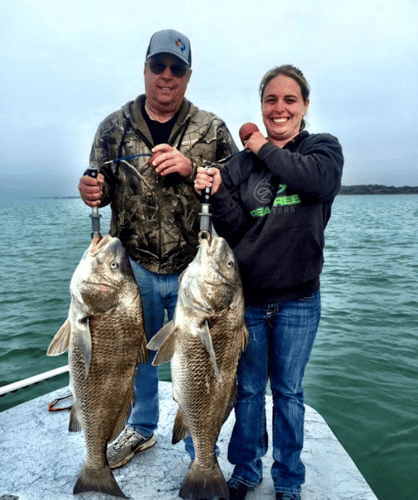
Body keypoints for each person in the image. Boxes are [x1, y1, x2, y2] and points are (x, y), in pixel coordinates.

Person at [78, 29, 238, 470]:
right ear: (145, 68)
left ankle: (198, 448)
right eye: (159, 66)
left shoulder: (212, 127)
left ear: (188, 76)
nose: (166, 76)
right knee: (137, 354)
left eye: (177, 69)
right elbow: (101, 186)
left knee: (201, 359)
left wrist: (194, 167)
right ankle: (141, 427)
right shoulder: (113, 127)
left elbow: (236, 180)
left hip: (198, 271)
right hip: (133, 269)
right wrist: (91, 189)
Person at [194, 65, 344, 500]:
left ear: (305, 106)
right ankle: (245, 469)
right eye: (270, 100)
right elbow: (235, 229)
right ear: (262, 105)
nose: (279, 108)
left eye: (289, 100)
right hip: (248, 301)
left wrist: (259, 144)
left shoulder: (322, 150)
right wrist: (218, 191)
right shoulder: (238, 165)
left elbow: (314, 182)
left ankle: (289, 481)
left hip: (300, 299)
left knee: (289, 393)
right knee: (247, 390)